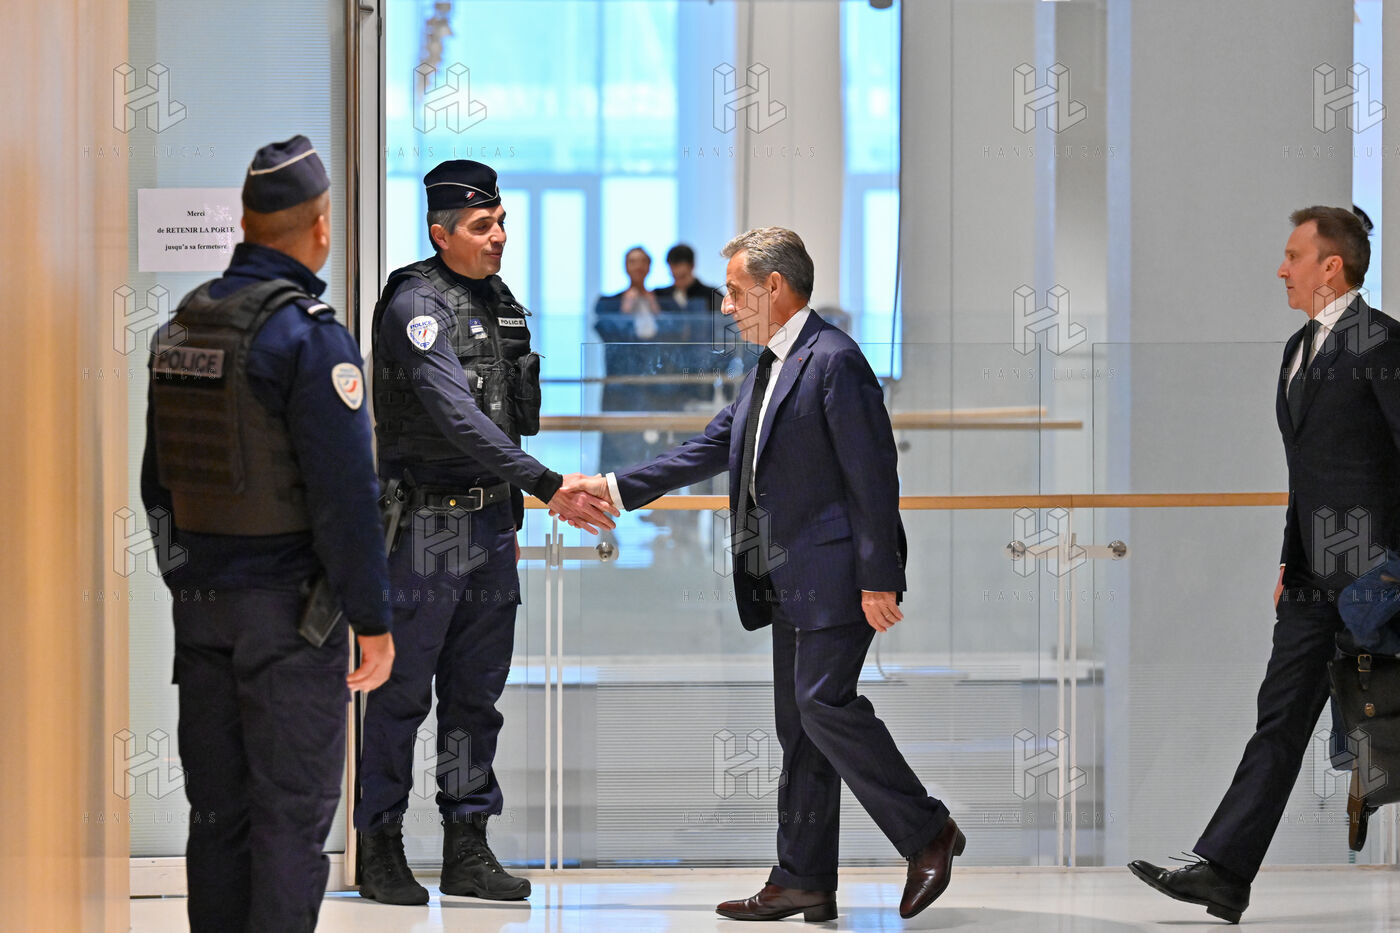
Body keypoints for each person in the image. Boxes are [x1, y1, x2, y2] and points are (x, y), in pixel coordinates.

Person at [566, 227, 962, 922]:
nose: (725, 306)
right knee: (800, 727)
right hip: (786, 575)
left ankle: (928, 830)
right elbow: (711, 446)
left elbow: (874, 476)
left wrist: (880, 576)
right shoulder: (770, 365)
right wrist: (613, 488)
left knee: (822, 703)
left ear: (774, 287)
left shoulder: (835, 360)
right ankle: (803, 879)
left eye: (734, 291)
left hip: (840, 575)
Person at [141, 135, 396, 933]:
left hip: (201, 615)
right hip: (288, 621)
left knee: (218, 813)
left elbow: (156, 486)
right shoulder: (309, 337)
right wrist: (373, 619)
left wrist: (189, 581)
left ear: (247, 223)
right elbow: (347, 499)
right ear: (319, 227)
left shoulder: (183, 326)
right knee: (290, 820)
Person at [357, 159, 617, 905]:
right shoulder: (416, 303)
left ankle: (466, 846)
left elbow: (507, 417)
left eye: (500, 222)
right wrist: (548, 483)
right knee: (402, 692)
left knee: (475, 698)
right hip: (426, 527)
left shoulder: (500, 301)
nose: (498, 235)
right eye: (481, 226)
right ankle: (380, 846)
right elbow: (455, 415)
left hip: (491, 527)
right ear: (440, 234)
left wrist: (521, 496)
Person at [1129, 206, 1400, 923]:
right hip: (1311, 580)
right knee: (1278, 718)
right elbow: (1305, 472)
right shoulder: (1296, 348)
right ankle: (1224, 872)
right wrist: (1290, 556)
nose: (1282, 269)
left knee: (1388, 723)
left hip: (1376, 580)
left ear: (1331, 266)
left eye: (1293, 256)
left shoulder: (1382, 342)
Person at [594, 246, 665, 471]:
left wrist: (655, 308)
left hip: (655, 385)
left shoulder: (662, 301)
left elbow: (677, 334)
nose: (638, 267)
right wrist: (625, 310)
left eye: (643, 262)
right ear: (625, 266)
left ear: (649, 266)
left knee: (657, 447)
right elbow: (605, 332)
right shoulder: (608, 302)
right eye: (633, 262)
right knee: (615, 445)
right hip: (619, 386)